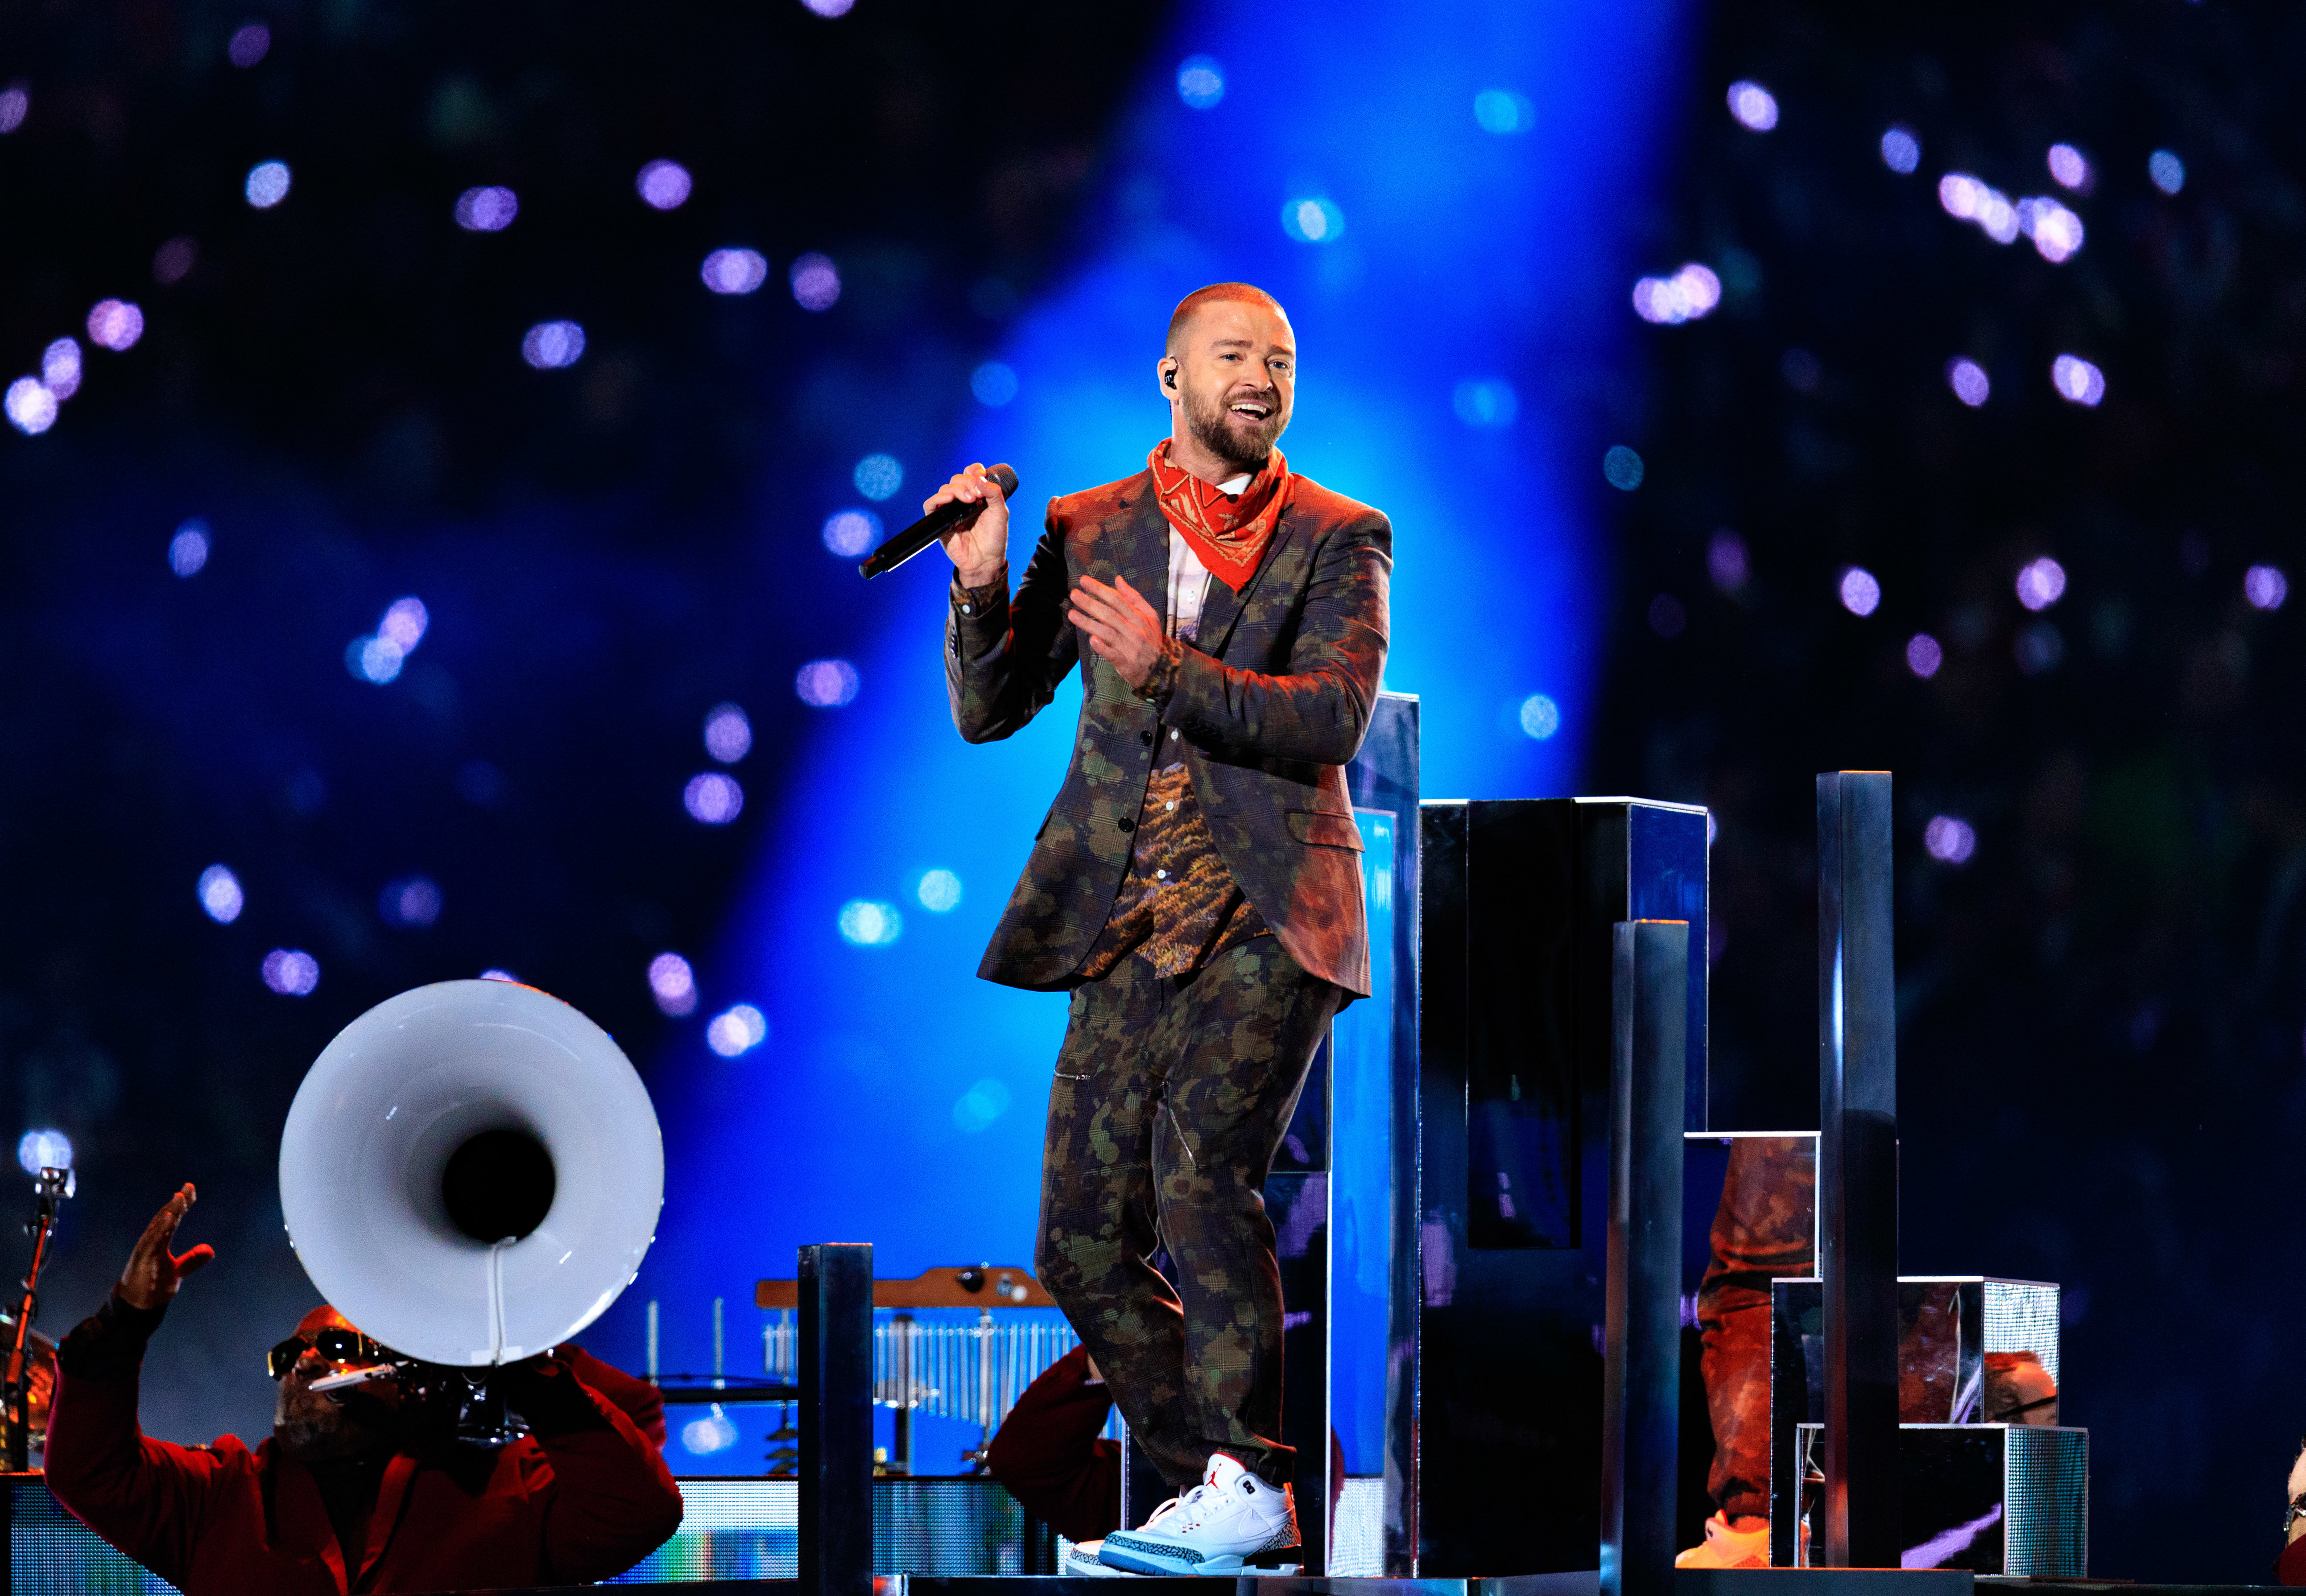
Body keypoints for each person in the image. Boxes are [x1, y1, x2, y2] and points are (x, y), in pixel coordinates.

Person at [935, 281, 1389, 1577]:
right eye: (1236, 356)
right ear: (1171, 379)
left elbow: (1334, 716)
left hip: (1269, 903)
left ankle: (1251, 1468)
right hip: (1122, 914)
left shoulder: (1338, 535)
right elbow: (993, 707)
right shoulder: (1090, 526)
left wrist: (1169, 668)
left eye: (1283, 360)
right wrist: (976, 586)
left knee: (1202, 1172)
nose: (1263, 377)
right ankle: (1216, 1488)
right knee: (1076, 1236)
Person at [43, 1183, 684, 1595]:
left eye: (340, 1347)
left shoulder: (502, 1482)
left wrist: (508, 1354)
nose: (306, 1362)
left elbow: (640, 1513)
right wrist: (127, 1321)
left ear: (405, 1374)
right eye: (290, 1353)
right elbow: (86, 1472)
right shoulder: (219, 1495)